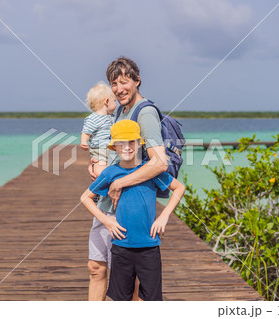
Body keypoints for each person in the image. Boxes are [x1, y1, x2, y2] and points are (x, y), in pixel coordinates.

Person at [86, 57, 169, 301]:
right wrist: (101, 169)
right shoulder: (121, 110)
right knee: (95, 267)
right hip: (107, 200)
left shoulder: (145, 113)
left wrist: (120, 182)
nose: (119, 88)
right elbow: (118, 151)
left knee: (126, 280)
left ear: (137, 81)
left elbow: (159, 161)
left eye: (125, 82)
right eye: (114, 83)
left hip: (123, 204)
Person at [81, 120, 185, 301]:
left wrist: (164, 216)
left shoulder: (151, 172)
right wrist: (107, 221)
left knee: (151, 299)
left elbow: (179, 188)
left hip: (150, 247)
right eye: (121, 143)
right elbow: (85, 198)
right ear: (114, 147)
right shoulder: (110, 173)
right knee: (121, 299)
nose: (127, 147)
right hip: (121, 247)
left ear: (139, 144)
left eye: (131, 142)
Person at [80, 81, 117, 177]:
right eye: (114, 101)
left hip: (113, 150)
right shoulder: (93, 118)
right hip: (99, 150)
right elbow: (86, 132)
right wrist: (84, 141)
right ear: (107, 101)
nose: (116, 104)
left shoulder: (112, 117)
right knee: (100, 171)